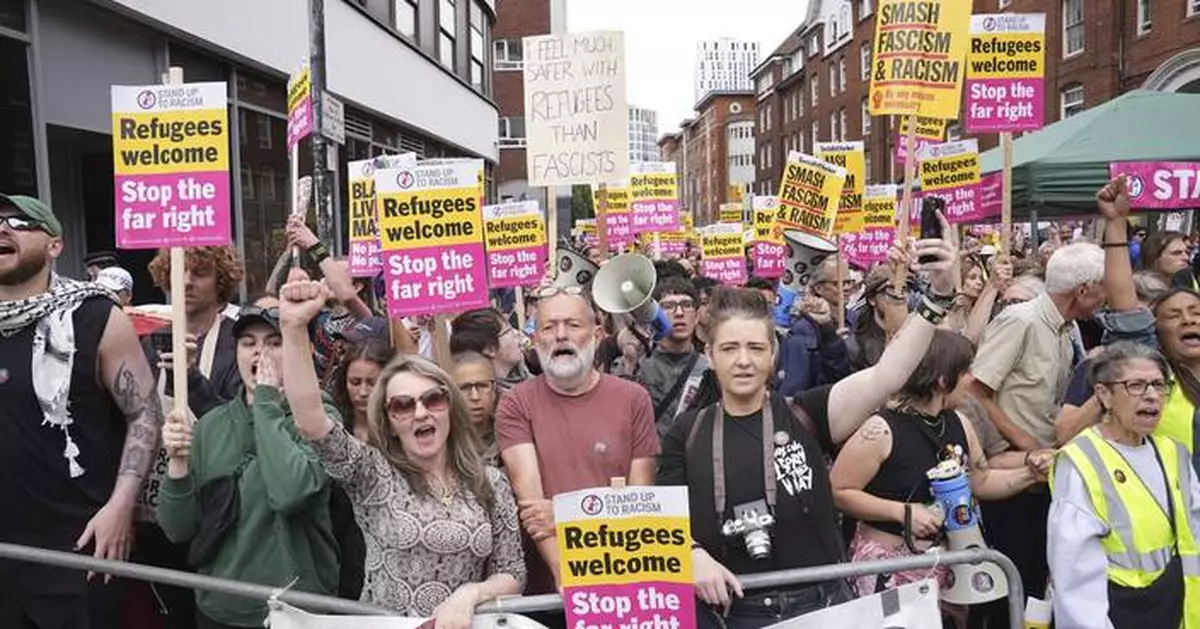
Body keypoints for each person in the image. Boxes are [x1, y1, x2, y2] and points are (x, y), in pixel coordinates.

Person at [659, 225, 962, 629]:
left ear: (773, 354)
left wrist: (938, 296)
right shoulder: (687, 432)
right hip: (733, 614)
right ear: (710, 355)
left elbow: (887, 375)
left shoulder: (807, 413)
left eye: (755, 347)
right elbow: (664, 524)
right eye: (730, 348)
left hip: (821, 607)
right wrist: (692, 554)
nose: (743, 360)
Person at [279, 279, 525, 620]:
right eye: (403, 405)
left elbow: (512, 572)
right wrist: (293, 328)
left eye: (433, 399)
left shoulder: (491, 482)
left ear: (450, 408)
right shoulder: (373, 473)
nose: (420, 413)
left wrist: (471, 594)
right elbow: (312, 423)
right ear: (389, 421)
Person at [0, 194, 161, 628]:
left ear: (55, 245)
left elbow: (145, 415)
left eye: (20, 222)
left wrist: (120, 506)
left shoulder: (96, 316)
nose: (4, 229)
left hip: (79, 546)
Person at [830, 331, 1050, 613]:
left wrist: (1030, 474)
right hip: (890, 570)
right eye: (966, 371)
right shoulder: (881, 430)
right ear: (943, 381)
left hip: (948, 568)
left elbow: (981, 481)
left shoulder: (959, 422)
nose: (971, 379)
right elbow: (838, 491)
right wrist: (902, 512)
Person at [157, 306, 338, 628]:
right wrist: (178, 463)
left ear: (301, 351)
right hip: (221, 610)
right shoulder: (211, 425)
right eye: (248, 343)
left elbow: (290, 493)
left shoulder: (319, 419)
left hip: (296, 613)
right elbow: (177, 530)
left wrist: (266, 402)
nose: (259, 352)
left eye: (274, 342)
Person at [969, 242, 1106, 625]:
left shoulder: (1066, 328)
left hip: (1044, 472)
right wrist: (1024, 441)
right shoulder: (1022, 321)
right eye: (1103, 288)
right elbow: (974, 391)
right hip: (1009, 475)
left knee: (1035, 580)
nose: (1107, 297)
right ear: (1083, 290)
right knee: (1009, 581)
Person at [497, 285, 659, 593]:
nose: (560, 335)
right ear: (535, 340)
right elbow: (533, 507)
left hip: (624, 575)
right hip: (549, 592)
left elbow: (640, 503)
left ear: (596, 335)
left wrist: (564, 514)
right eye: (548, 327)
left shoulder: (634, 399)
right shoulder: (515, 404)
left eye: (572, 325)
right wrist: (567, 573)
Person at [1048, 342, 1200, 629]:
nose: (1152, 396)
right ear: (1104, 395)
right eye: (1136, 386)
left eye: (1159, 385)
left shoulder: (1174, 452)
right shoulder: (1082, 460)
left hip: (1175, 610)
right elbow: (1073, 572)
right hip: (1118, 612)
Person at [636, 276, 709, 433]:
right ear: (654, 316)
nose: (679, 313)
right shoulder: (638, 366)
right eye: (668, 306)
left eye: (686, 305)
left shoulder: (709, 368)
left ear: (696, 316)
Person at [450, 308, 530, 393]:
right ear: (490, 349)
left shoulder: (524, 376)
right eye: (509, 331)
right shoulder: (487, 398)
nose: (517, 333)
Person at [451, 351, 501, 464]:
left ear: (494, 390)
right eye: (464, 388)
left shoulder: (511, 432)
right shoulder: (443, 441)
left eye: (482, 386)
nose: (475, 397)